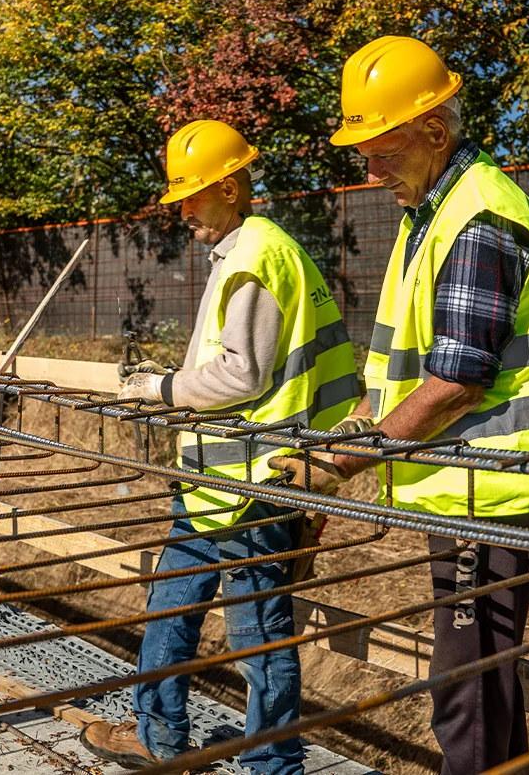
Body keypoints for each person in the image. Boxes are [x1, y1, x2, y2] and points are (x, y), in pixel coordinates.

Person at [270, 36, 529, 774]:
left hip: (495, 491)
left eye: (381, 153)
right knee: (483, 688)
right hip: (471, 486)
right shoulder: (432, 213)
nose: (370, 172)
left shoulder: (478, 218)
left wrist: (340, 463)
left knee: (464, 691)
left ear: (434, 132)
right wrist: (348, 435)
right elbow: (404, 371)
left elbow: (457, 382)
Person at [79, 119, 360, 774]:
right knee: (170, 606)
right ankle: (158, 737)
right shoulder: (248, 250)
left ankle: (272, 766)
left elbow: (242, 374)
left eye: (193, 196)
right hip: (214, 478)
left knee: (258, 634)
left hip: (254, 483)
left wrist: (160, 388)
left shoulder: (257, 255)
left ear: (230, 188)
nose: (183, 212)